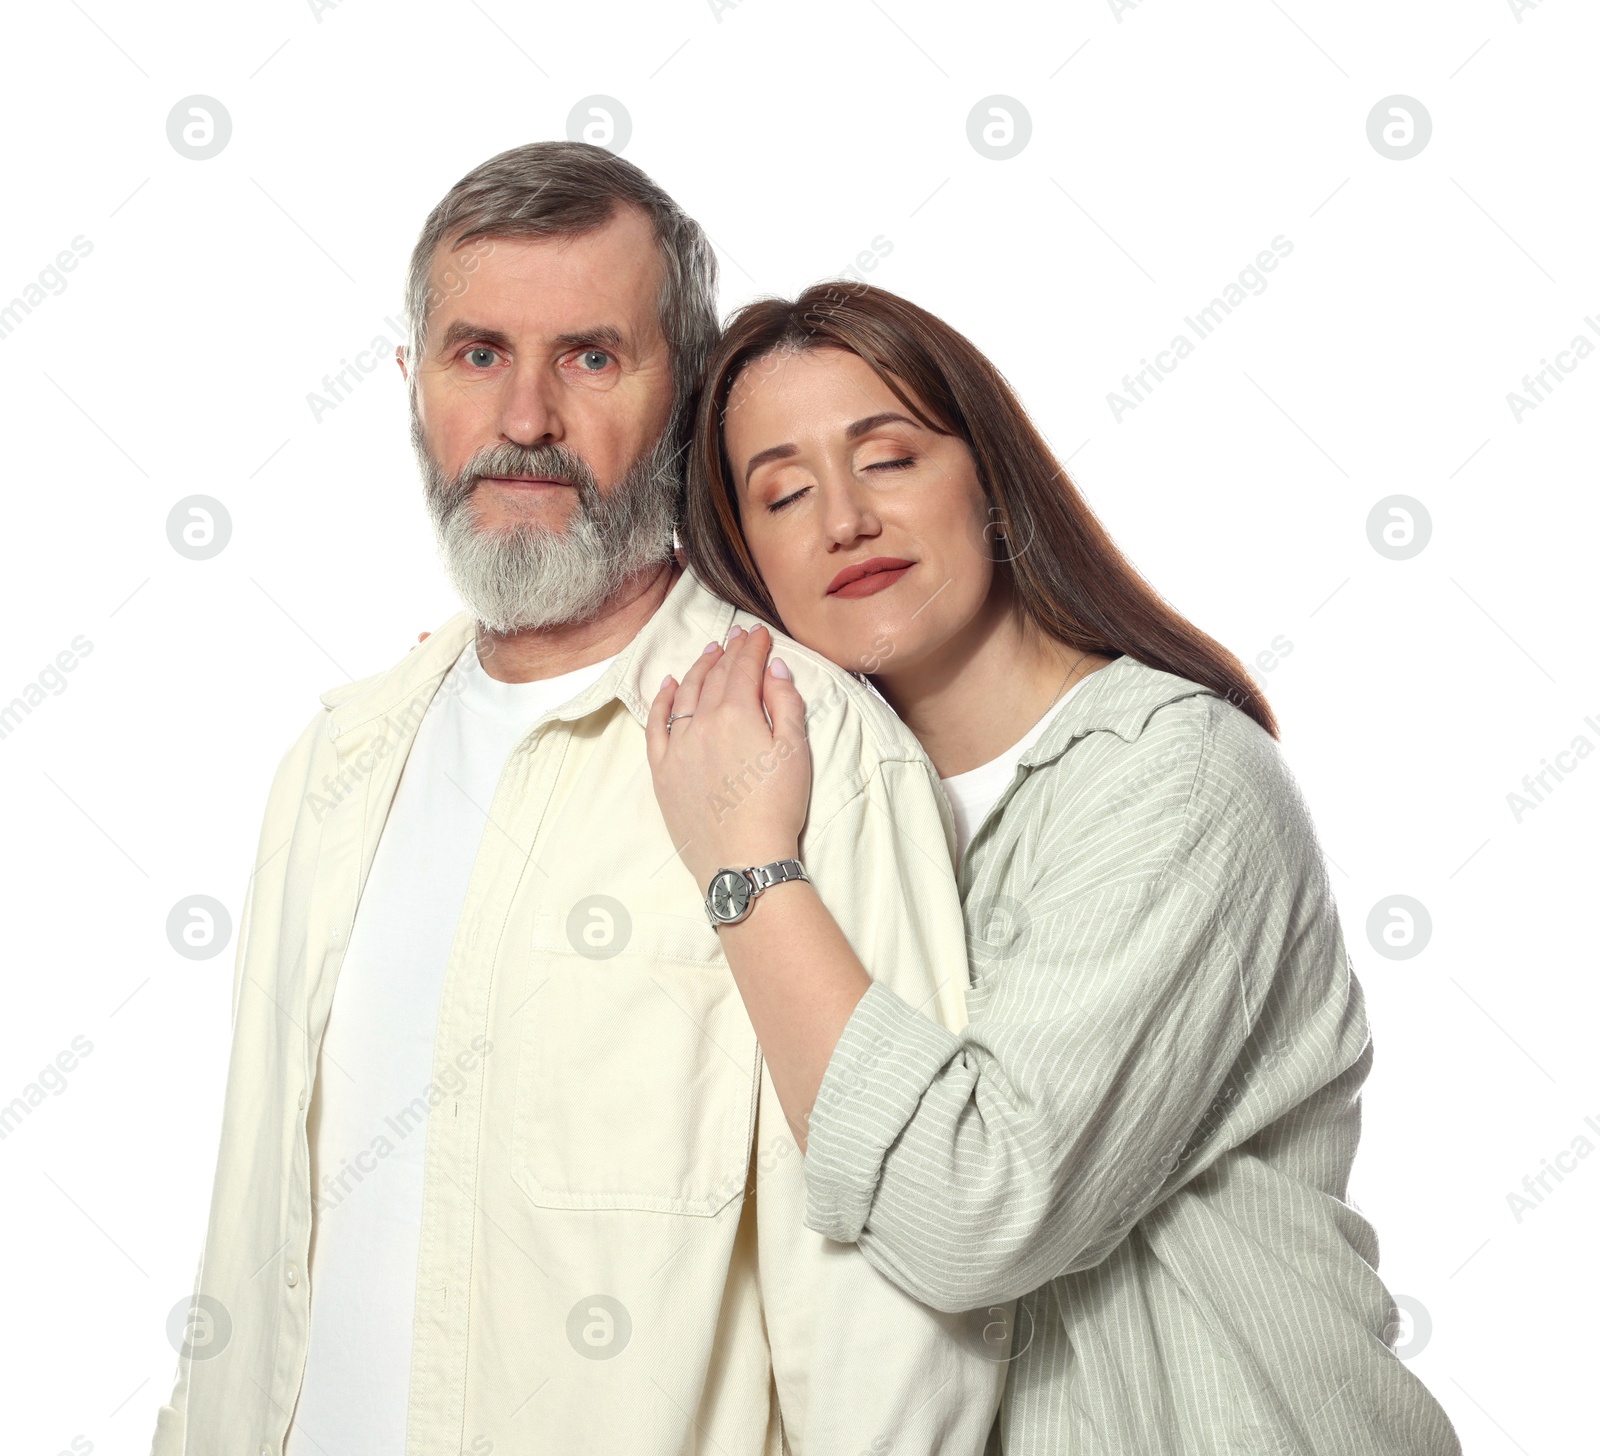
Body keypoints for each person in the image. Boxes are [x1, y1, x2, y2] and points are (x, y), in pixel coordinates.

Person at [149, 146, 1008, 1456]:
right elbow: (248, 1252)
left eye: (592, 358)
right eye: (477, 354)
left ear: (686, 395)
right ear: (412, 383)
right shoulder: (332, 767)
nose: (526, 419)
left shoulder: (813, 753)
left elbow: (890, 1361)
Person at [646, 282, 1463, 1455]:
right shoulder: (833, 805)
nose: (842, 519)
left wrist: (745, 868)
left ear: (987, 480)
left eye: (887, 459)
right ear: (748, 556)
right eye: (781, 492)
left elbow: (979, 1205)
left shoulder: (1175, 779)